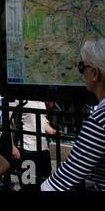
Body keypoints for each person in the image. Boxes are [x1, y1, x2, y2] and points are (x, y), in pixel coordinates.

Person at [41, 38, 105, 191]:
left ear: (95, 73)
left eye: (82, 67)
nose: (81, 73)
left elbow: (61, 181)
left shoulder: (98, 121)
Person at [10, 101, 56, 191]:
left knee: (45, 184)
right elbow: (6, 125)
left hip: (43, 149)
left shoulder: (41, 102)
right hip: (27, 150)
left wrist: (53, 131)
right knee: (28, 185)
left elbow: (43, 122)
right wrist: (13, 147)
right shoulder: (18, 100)